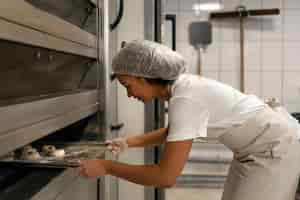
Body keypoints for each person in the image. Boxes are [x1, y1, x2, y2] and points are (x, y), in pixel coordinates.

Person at [78, 40, 300, 200]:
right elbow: (175, 132)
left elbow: (165, 177)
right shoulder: (183, 88)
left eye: (128, 86)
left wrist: (107, 166)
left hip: (275, 150)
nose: (129, 94)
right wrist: (129, 142)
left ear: (144, 77)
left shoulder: (185, 99)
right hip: (256, 148)